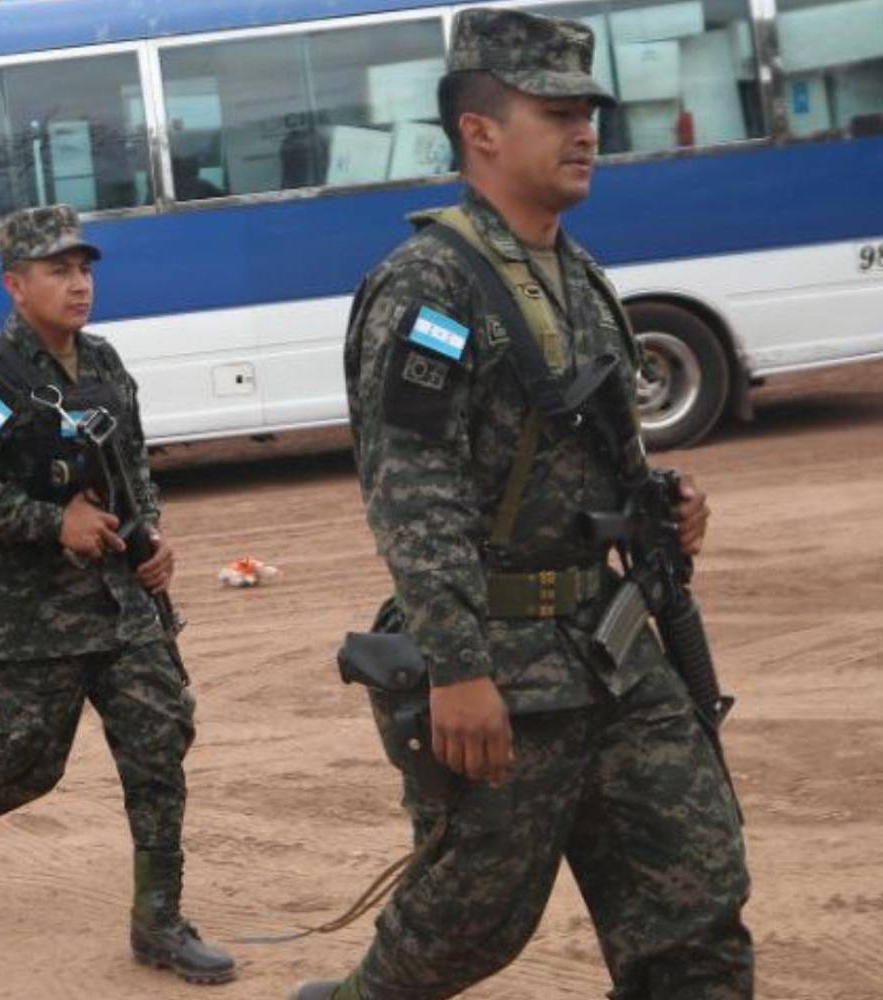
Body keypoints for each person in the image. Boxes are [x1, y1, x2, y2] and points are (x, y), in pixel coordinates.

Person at [290, 9, 752, 1000]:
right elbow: (416, 490)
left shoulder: (578, 276)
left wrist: (663, 507)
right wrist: (457, 669)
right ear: (482, 132)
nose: (585, 129)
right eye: (556, 111)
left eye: (589, 109)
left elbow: (596, 458)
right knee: (468, 928)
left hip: (617, 649)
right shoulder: (432, 285)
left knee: (698, 902)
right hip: (502, 667)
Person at [0, 204, 236, 986]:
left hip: (121, 600)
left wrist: (153, 538)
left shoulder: (104, 365)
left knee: (160, 745)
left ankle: (157, 921)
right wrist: (47, 522)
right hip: (27, 614)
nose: (78, 283)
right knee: (32, 765)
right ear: (15, 284)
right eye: (58, 270)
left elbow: (133, 471)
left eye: (84, 268)